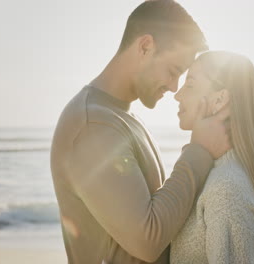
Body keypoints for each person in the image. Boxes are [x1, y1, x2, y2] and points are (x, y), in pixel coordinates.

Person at [50, 1, 231, 263]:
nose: (173, 87)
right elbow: (147, 241)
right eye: (172, 71)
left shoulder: (122, 118)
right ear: (145, 46)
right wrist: (199, 151)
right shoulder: (93, 125)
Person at [170, 51, 254, 264]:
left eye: (189, 85)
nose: (177, 95)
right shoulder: (214, 176)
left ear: (219, 99)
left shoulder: (226, 188)